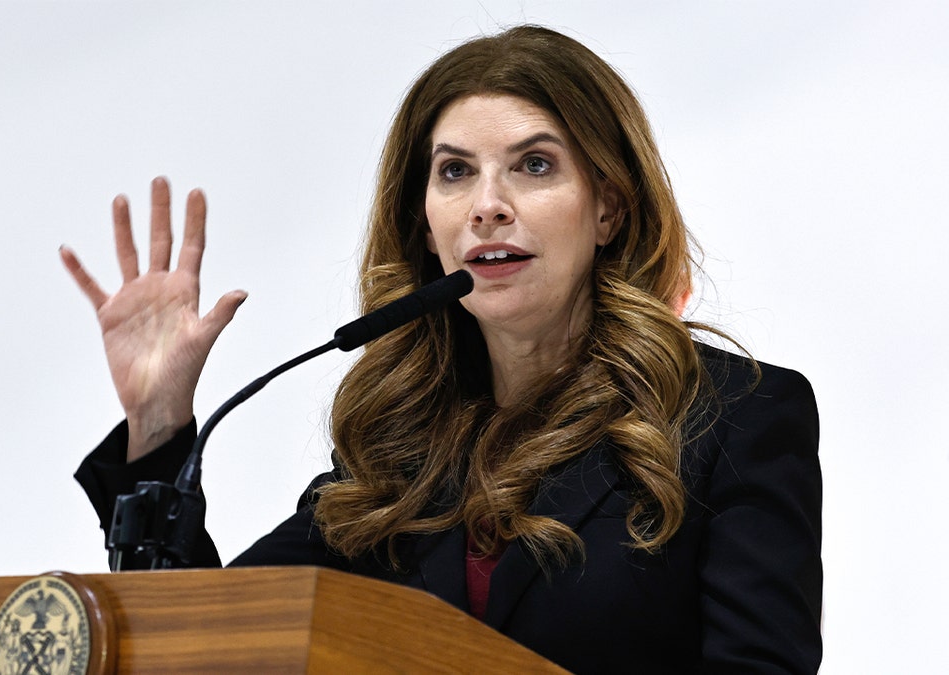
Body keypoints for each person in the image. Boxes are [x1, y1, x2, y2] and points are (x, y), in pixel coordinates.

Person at [61, 25, 821, 674]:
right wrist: (158, 425)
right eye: (455, 171)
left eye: (534, 164)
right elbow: (215, 642)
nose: (488, 205)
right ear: (427, 227)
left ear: (608, 208)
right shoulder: (395, 457)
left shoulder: (737, 418)